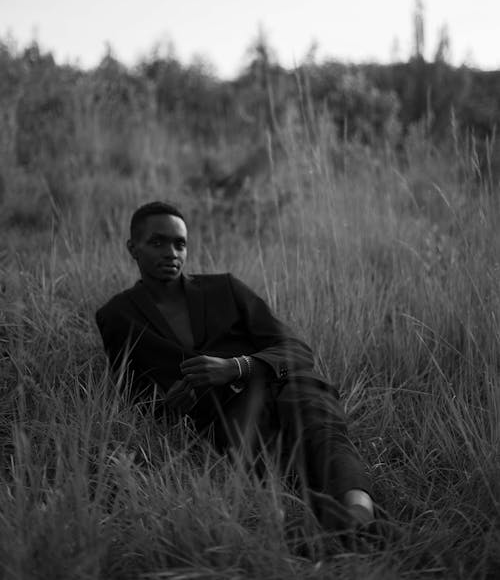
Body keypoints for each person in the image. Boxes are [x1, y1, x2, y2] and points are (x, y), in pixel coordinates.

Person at [95, 200, 375, 531]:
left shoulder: (223, 288)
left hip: (284, 381)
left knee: (321, 429)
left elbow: (298, 350)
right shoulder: (116, 316)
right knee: (272, 462)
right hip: (226, 413)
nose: (171, 252)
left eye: (179, 243)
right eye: (157, 242)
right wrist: (168, 406)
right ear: (133, 248)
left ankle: (360, 516)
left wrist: (237, 366)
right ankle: (322, 526)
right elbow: (135, 395)